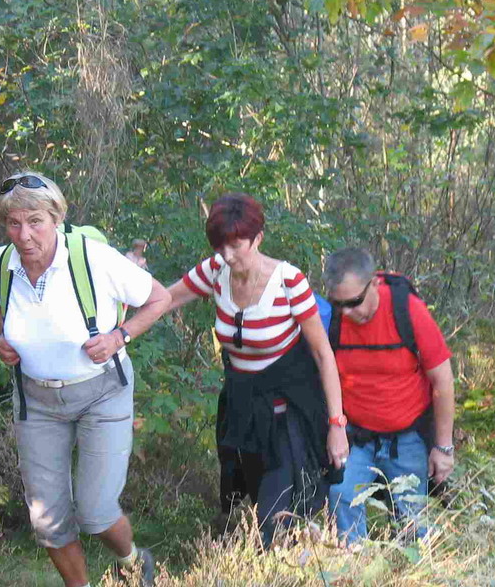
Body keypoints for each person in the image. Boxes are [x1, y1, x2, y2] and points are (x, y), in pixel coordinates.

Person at [0, 171, 171, 587]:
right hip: (36, 401)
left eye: (35, 222)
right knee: (47, 518)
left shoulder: (92, 258)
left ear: (56, 219)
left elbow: (159, 299)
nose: (24, 236)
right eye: (13, 224)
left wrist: (119, 336)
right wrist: (6, 340)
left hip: (102, 394)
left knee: (97, 510)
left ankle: (132, 563)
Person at [164, 193, 349, 547]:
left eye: (236, 245)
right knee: (257, 502)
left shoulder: (288, 281)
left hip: (289, 417)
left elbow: (324, 356)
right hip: (245, 414)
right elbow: (165, 299)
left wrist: (337, 425)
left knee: (276, 515)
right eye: (220, 246)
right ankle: (283, 579)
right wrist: (121, 312)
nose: (227, 255)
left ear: (258, 238)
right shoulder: (215, 271)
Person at [322, 247, 456, 544]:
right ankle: (351, 573)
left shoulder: (408, 311)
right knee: (341, 495)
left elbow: (443, 382)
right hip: (356, 436)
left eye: (354, 302)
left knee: (411, 520)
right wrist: (335, 426)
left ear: (375, 284)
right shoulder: (332, 319)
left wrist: (443, 448)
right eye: (338, 303)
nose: (347, 312)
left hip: (407, 438)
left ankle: (411, 582)